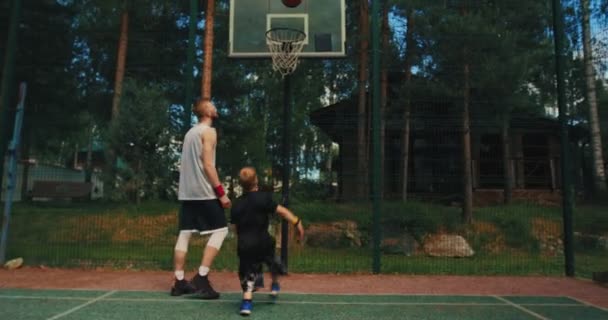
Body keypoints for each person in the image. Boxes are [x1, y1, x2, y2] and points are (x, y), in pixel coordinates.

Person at [170, 99, 231, 299]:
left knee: (185, 234)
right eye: (212, 105)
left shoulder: (189, 133)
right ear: (207, 111)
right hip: (204, 192)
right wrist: (221, 193)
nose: (215, 107)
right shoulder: (209, 132)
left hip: (187, 193)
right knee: (221, 230)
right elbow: (208, 165)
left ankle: (179, 282)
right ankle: (202, 277)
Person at [230, 167, 304, 316]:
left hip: (245, 244)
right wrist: (297, 222)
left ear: (241, 184)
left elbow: (234, 228)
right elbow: (282, 211)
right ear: (256, 180)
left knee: (247, 272)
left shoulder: (236, 204)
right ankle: (275, 283)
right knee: (272, 261)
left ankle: (247, 302)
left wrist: (241, 241)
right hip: (263, 241)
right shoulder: (264, 198)